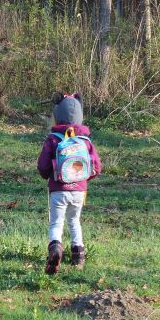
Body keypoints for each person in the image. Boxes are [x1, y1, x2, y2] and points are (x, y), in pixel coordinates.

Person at [37, 92, 102, 274]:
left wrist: (47, 175)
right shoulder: (85, 140)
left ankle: (56, 248)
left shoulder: (53, 139)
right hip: (79, 190)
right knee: (75, 221)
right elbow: (96, 166)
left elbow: (42, 166)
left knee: (56, 223)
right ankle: (78, 256)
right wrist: (83, 179)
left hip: (58, 189)